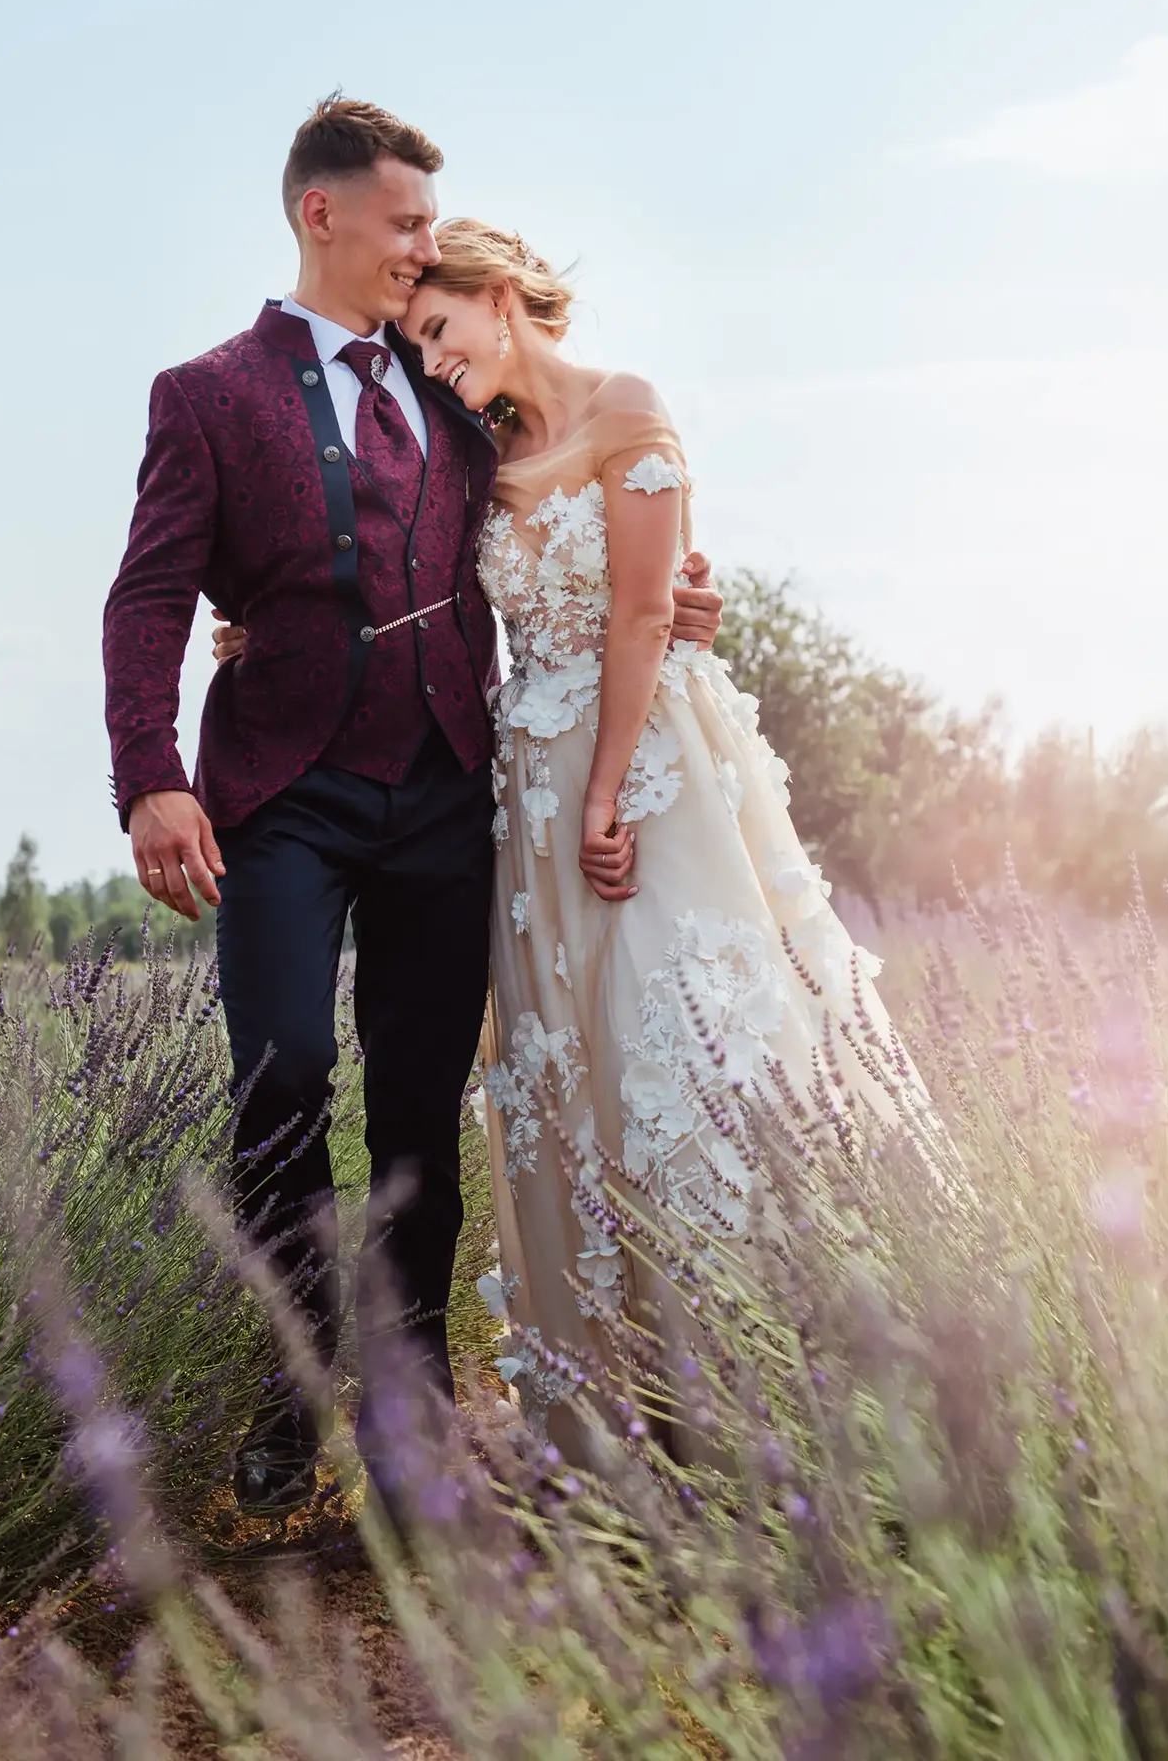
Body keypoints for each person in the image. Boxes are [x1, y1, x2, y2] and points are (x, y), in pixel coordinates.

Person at [219, 218, 933, 1465]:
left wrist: (607, 788)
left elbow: (653, 606)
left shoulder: (629, 405)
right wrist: (270, 631)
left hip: (644, 768)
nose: (430, 360)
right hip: (525, 794)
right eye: (414, 344)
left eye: (439, 331)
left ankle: (769, 1380)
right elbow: (388, 578)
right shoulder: (470, 449)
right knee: (573, 1070)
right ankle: (623, 1403)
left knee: (688, 1045)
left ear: (501, 300)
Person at [101, 97, 723, 1518]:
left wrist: (687, 585)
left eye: (433, 230)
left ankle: (414, 1395)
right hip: (279, 798)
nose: (423, 252)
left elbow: (597, 496)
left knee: (417, 1108)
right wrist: (150, 774)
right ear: (321, 215)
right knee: (282, 1082)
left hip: (452, 791)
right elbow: (146, 599)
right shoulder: (203, 395)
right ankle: (284, 1382)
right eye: (404, 225)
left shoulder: (460, 386)